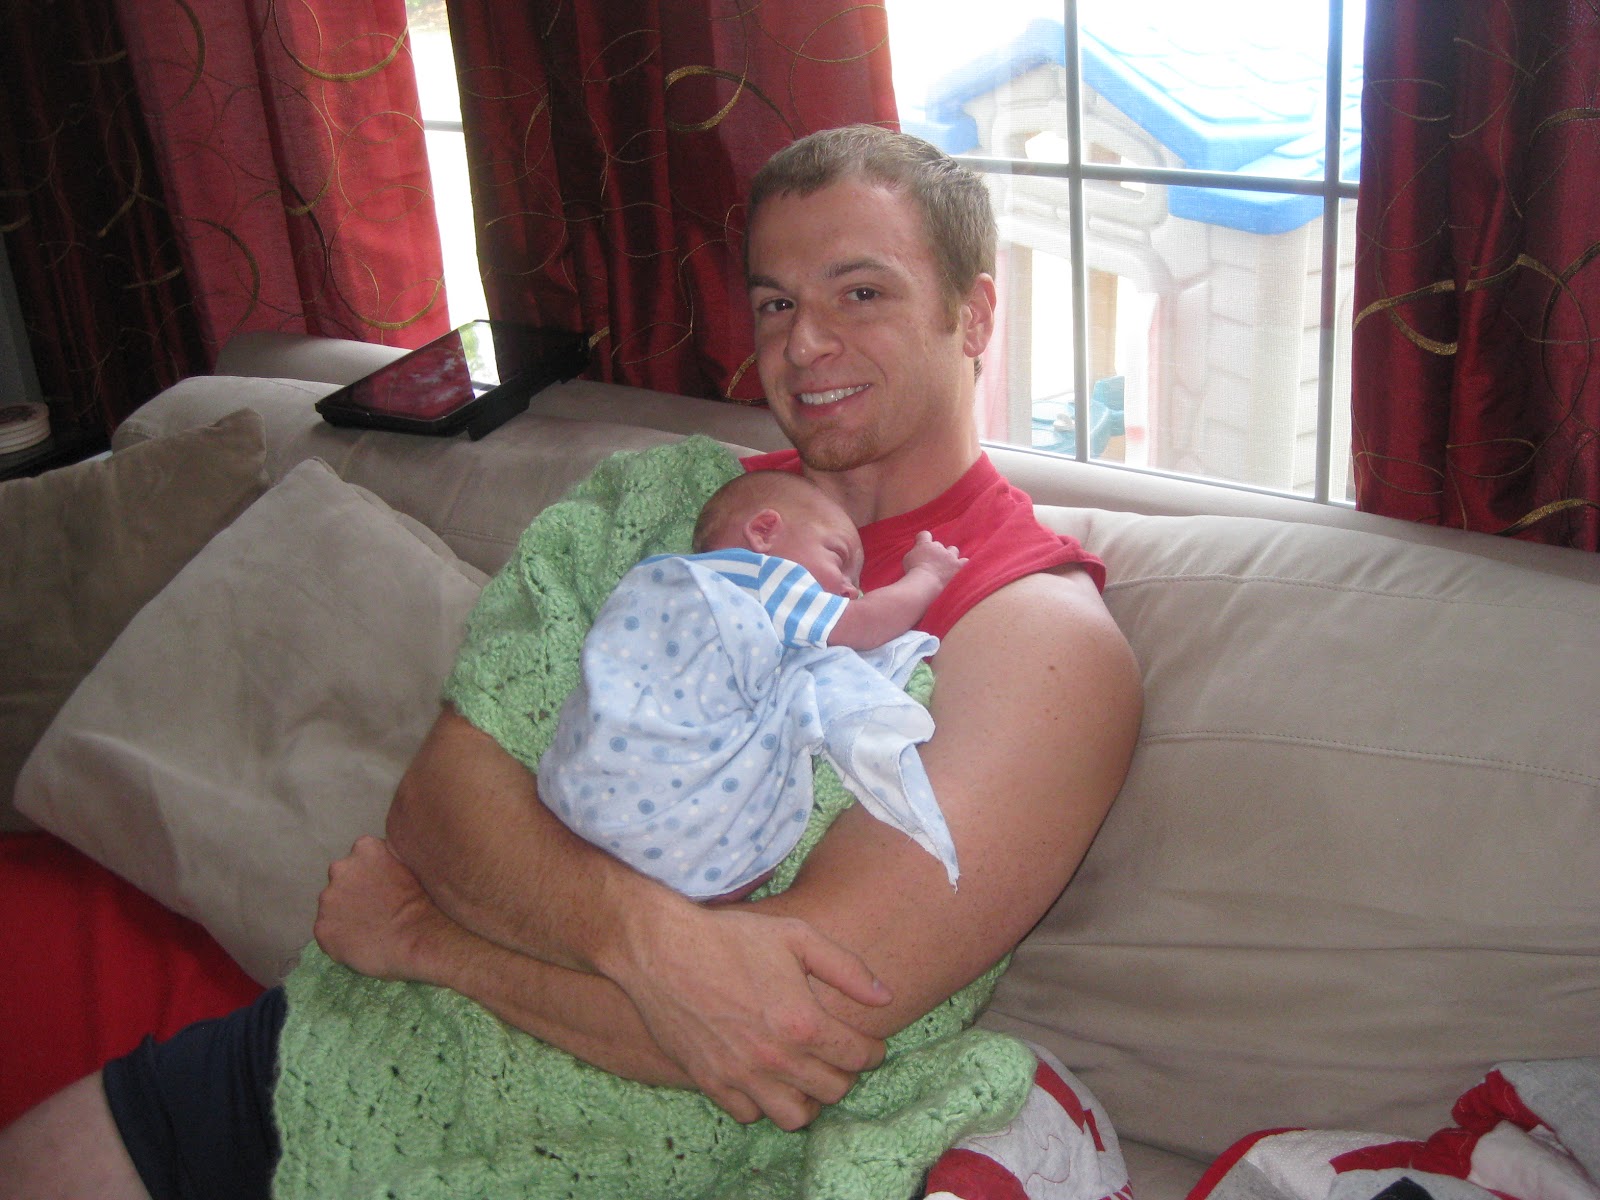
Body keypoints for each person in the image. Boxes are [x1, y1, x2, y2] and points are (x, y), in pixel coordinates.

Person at [0, 123, 1143, 1198]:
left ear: (972, 314)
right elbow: (437, 808)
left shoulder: (1035, 641)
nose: (803, 345)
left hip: (623, 1150)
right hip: (339, 1047)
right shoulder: (664, 505)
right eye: (775, 302)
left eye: (861, 293)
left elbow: (786, 1027)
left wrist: (437, 945)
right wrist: (648, 938)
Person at [539, 468, 968, 903]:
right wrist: (928, 575)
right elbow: (864, 625)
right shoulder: (758, 577)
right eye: (839, 560)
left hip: (574, 791)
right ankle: (708, 874)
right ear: (764, 532)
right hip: (657, 809)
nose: (850, 591)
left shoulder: (651, 577)